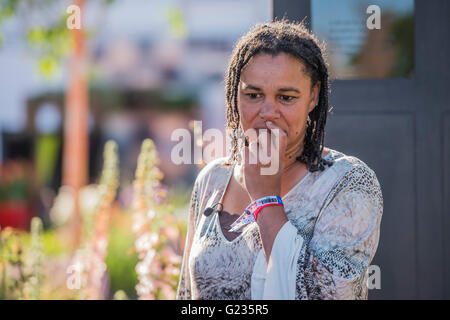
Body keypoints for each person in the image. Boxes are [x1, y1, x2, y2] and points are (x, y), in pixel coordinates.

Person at [176, 20, 383, 300]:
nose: (268, 112)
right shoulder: (213, 179)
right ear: (235, 94)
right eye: (253, 95)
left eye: (286, 97)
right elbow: (187, 295)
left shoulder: (349, 184)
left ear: (313, 96)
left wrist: (265, 200)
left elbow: (328, 295)